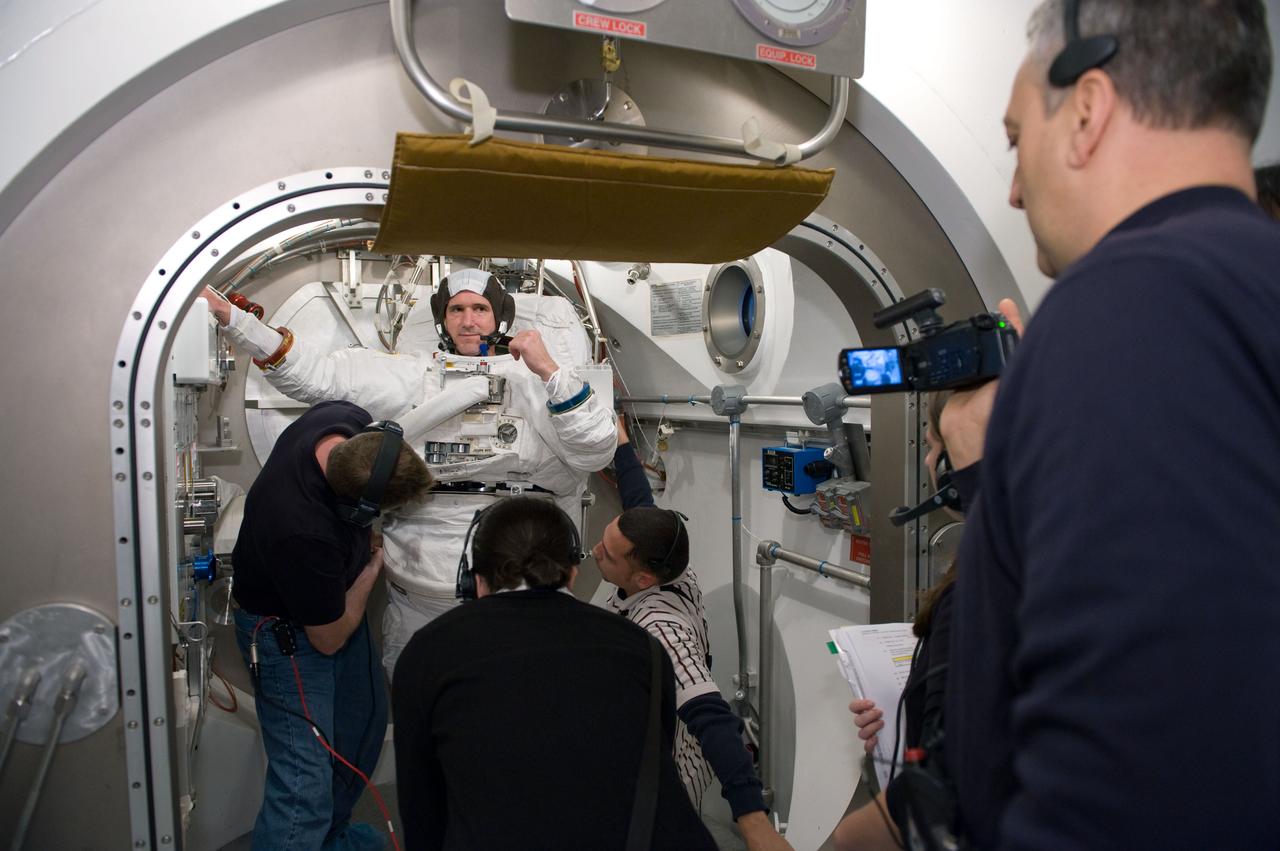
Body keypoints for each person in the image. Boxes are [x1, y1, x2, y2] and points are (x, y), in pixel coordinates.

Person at [939, 1, 1280, 846]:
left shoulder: (1129, 308)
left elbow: (1138, 773)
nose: (1013, 188)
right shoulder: (1244, 290)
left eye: (1016, 140)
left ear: (1086, 111)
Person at [203, 267, 616, 673]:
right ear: (442, 320)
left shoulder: (537, 381)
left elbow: (595, 451)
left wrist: (547, 368)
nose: (468, 320)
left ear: (500, 317)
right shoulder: (411, 375)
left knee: (517, 690)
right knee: (424, 689)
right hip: (422, 578)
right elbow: (317, 376)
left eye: (480, 309)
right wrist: (234, 319)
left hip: (520, 567)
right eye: (456, 310)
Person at [390, 496, 719, 851]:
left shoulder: (428, 651)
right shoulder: (642, 647)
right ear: (571, 574)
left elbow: (421, 803)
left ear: (475, 581)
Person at [231, 399, 433, 851]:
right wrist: (371, 567)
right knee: (305, 782)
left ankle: (330, 840)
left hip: (330, 607)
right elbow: (328, 636)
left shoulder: (339, 419)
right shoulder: (302, 529)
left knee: (362, 728)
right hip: (290, 637)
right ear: (355, 509)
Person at [596, 415, 793, 851]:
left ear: (643, 578)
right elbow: (638, 502)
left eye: (606, 555)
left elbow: (710, 716)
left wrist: (754, 824)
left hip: (671, 767)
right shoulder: (666, 560)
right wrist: (623, 446)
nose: (595, 553)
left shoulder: (661, 628)